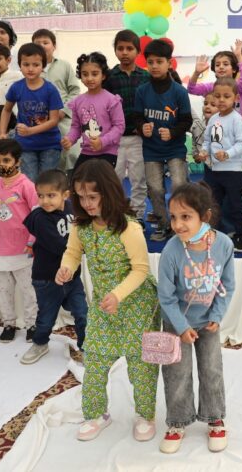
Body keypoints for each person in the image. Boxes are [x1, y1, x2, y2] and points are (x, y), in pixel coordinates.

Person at [55, 160, 160, 443]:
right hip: (104, 307)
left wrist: (118, 295)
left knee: (141, 366)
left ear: (109, 192)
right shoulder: (81, 227)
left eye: (93, 196)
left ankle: (145, 414)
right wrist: (67, 267)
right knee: (96, 361)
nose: (87, 203)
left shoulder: (129, 228)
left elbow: (141, 270)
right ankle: (97, 414)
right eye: (81, 197)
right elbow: (73, 253)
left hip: (137, 306)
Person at [157, 183, 236, 454]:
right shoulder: (171, 250)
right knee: (177, 374)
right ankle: (178, 421)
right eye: (173, 217)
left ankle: (215, 417)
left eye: (185, 217)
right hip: (176, 323)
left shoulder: (224, 245)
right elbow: (166, 297)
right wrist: (180, 327)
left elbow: (228, 285)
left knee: (212, 370)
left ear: (205, 216)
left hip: (208, 324)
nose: (177, 224)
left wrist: (216, 315)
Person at [21, 169, 88, 365]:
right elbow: (60, 247)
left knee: (82, 313)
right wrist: (82, 248)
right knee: (46, 317)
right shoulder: (40, 218)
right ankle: (40, 343)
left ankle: (85, 347)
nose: (45, 201)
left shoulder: (72, 209)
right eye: (41, 195)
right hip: (47, 279)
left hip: (73, 278)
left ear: (65, 195)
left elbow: (83, 229)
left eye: (51, 195)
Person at [134, 38, 192, 242]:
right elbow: (137, 116)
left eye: (159, 61)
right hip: (151, 150)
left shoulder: (179, 92)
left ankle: (183, 222)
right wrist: (143, 127)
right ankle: (163, 224)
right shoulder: (142, 91)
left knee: (178, 184)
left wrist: (173, 132)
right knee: (155, 188)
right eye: (150, 62)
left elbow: (187, 120)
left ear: (169, 62)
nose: (155, 66)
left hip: (175, 148)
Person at [0, 139, 39, 342]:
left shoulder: (27, 186)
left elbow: (36, 215)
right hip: (1, 251)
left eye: (6, 160)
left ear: (18, 161)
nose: (1, 165)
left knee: (28, 291)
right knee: (3, 291)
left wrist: (32, 241)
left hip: (24, 250)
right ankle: (9, 324)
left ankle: (32, 324)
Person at [0, 43, 64, 182]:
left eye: (35, 65)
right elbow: (6, 110)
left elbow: (54, 120)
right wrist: (2, 133)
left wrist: (30, 131)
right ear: (19, 65)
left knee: (47, 182)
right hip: (25, 145)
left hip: (50, 144)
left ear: (43, 65)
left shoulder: (50, 89)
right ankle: (34, 205)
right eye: (26, 64)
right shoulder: (16, 87)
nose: (30, 69)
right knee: (30, 182)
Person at [104, 30, 151, 220]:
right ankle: (117, 214)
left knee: (138, 180)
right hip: (114, 140)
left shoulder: (146, 76)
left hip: (139, 138)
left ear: (138, 51)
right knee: (114, 180)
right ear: (115, 51)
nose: (125, 52)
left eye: (129, 48)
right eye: (120, 48)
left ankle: (138, 216)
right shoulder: (108, 76)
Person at [200, 77, 242, 252]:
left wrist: (227, 154)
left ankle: (240, 236)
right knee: (214, 204)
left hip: (233, 171)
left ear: (235, 98)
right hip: (214, 171)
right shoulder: (213, 119)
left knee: (235, 205)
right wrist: (204, 151)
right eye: (217, 95)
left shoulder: (237, 119)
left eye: (226, 96)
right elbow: (209, 140)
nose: (221, 100)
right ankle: (216, 234)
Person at [61, 52, 124, 170]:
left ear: (103, 75)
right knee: (78, 182)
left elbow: (119, 127)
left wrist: (102, 141)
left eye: (95, 74)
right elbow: (76, 127)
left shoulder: (112, 100)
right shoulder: (77, 101)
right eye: (85, 74)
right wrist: (70, 139)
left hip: (108, 152)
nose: (89, 78)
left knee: (101, 186)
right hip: (86, 152)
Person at [33, 28, 82, 172]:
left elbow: (75, 91)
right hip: (40, 121)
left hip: (64, 119)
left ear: (54, 46)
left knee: (71, 154)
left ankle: (74, 190)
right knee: (49, 161)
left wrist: (62, 111)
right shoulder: (29, 69)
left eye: (45, 42)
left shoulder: (64, 66)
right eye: (37, 43)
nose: (42, 46)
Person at [187, 39, 242, 106]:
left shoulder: (239, 86)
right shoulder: (210, 87)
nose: (221, 67)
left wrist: (239, 57)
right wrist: (196, 73)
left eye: (225, 64)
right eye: (217, 65)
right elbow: (191, 89)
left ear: (234, 69)